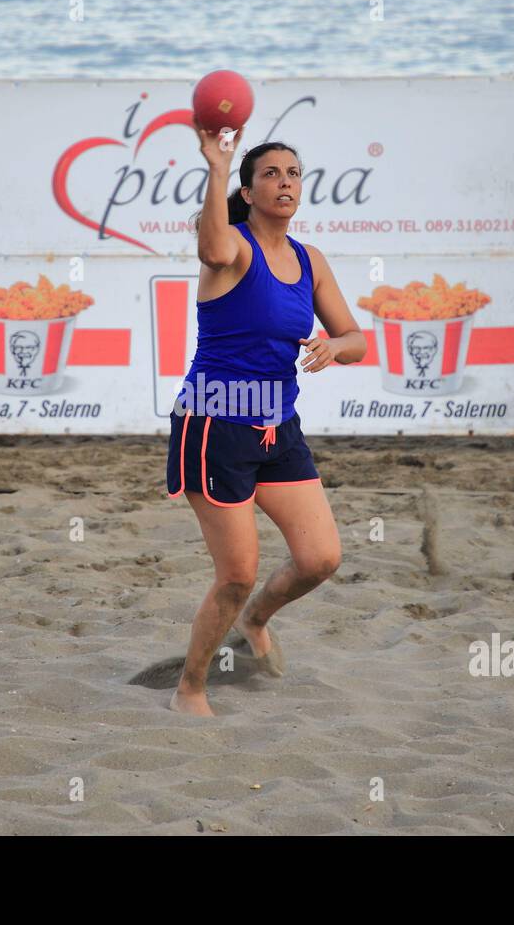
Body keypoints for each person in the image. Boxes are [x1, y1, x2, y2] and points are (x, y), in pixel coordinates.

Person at [164, 122, 367, 716]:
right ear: (249, 192)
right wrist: (217, 165)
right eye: (271, 174)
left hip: (278, 428)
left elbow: (356, 337)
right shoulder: (232, 247)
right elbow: (208, 248)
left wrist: (336, 347)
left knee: (320, 559)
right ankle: (190, 689)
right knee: (236, 573)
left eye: (293, 173)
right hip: (214, 427)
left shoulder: (310, 259)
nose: (285, 182)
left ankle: (255, 622)